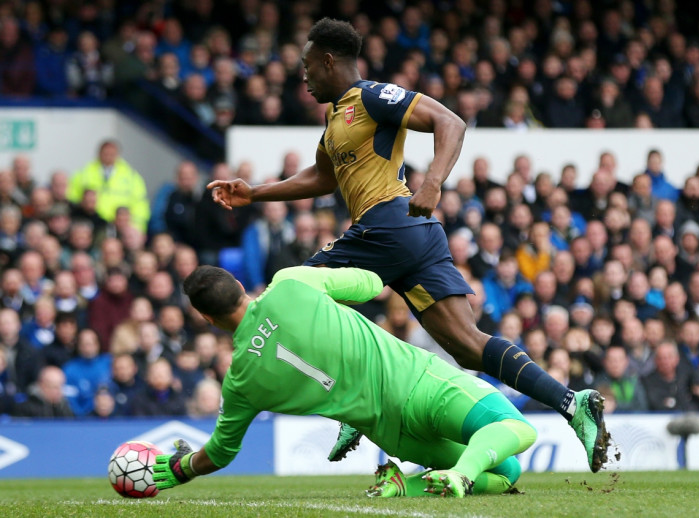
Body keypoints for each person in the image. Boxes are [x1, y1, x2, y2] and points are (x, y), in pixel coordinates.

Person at [207, 17, 608, 473]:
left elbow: (449, 122)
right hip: (409, 237)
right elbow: (321, 177)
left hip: (387, 226)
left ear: (328, 60)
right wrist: (255, 192)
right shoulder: (335, 116)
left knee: (293, 297)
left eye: (306, 66)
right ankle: (573, 403)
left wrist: (433, 181)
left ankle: (356, 407)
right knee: (467, 346)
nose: (303, 75)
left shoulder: (372, 96)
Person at [153, 265, 537, 498]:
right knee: (516, 428)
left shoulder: (239, 382)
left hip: (392, 432)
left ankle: (407, 484)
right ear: (238, 283)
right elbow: (371, 283)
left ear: (207, 319)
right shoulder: (290, 283)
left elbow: (220, 451)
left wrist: (180, 468)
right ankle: (462, 475)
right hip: (419, 385)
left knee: (508, 473)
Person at [67, 140, 150, 234]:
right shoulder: (84, 173)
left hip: (122, 226)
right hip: (93, 223)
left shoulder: (131, 176)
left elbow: (140, 204)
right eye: (105, 153)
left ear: (118, 154)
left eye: (112, 154)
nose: (108, 156)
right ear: (99, 153)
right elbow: (72, 198)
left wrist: (137, 226)